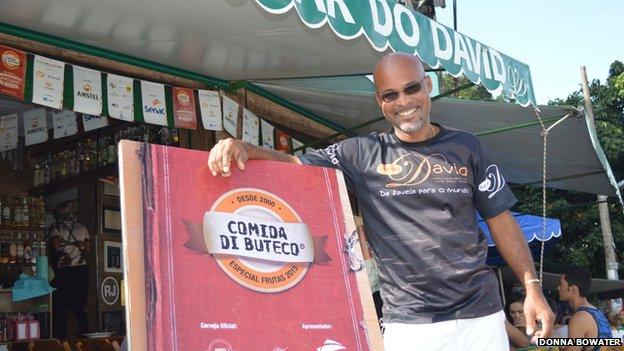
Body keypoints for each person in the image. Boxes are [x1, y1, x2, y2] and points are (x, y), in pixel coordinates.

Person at [208, 52, 554, 350]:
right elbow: (296, 164)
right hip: (410, 323)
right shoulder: (361, 153)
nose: (404, 102)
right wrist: (246, 148)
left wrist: (532, 288)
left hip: (481, 316)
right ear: (379, 101)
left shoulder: (467, 147)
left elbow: (501, 220)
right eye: (390, 95)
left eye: (412, 88)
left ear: (428, 86)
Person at [48, 202, 91, 338]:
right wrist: (77, 245)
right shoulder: (83, 227)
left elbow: (55, 245)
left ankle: (60, 339)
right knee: (78, 306)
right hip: (81, 270)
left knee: (61, 307)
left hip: (64, 271)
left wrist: (65, 242)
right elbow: (87, 249)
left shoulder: (55, 228)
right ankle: (85, 337)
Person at [557, 267, 612, 350]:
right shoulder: (597, 313)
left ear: (573, 289)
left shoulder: (580, 318)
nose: (558, 288)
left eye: (561, 284)